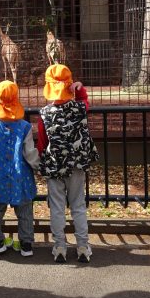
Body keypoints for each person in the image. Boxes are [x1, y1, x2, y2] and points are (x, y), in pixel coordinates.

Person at [37, 64, 99, 264]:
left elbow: (42, 143)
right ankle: (82, 246)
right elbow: (84, 100)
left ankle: (60, 247)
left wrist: (43, 160)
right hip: (76, 166)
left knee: (57, 207)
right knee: (78, 205)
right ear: (69, 85)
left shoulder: (44, 114)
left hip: (55, 166)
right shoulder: (79, 108)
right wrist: (79, 90)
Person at [0, 81, 40, 257]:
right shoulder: (25, 127)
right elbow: (29, 152)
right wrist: (38, 166)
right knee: (25, 210)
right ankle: (26, 244)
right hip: (20, 176)